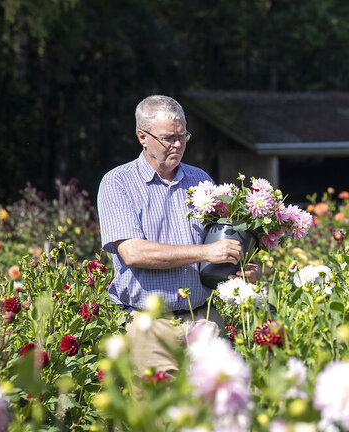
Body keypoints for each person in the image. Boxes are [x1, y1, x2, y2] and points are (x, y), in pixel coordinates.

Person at [97, 95, 260, 375]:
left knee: (212, 410)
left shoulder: (201, 180)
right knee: (159, 415)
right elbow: (133, 253)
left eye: (183, 136)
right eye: (169, 138)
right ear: (142, 137)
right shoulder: (117, 182)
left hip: (205, 321)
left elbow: (215, 252)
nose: (178, 144)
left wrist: (241, 268)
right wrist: (205, 253)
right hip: (150, 328)